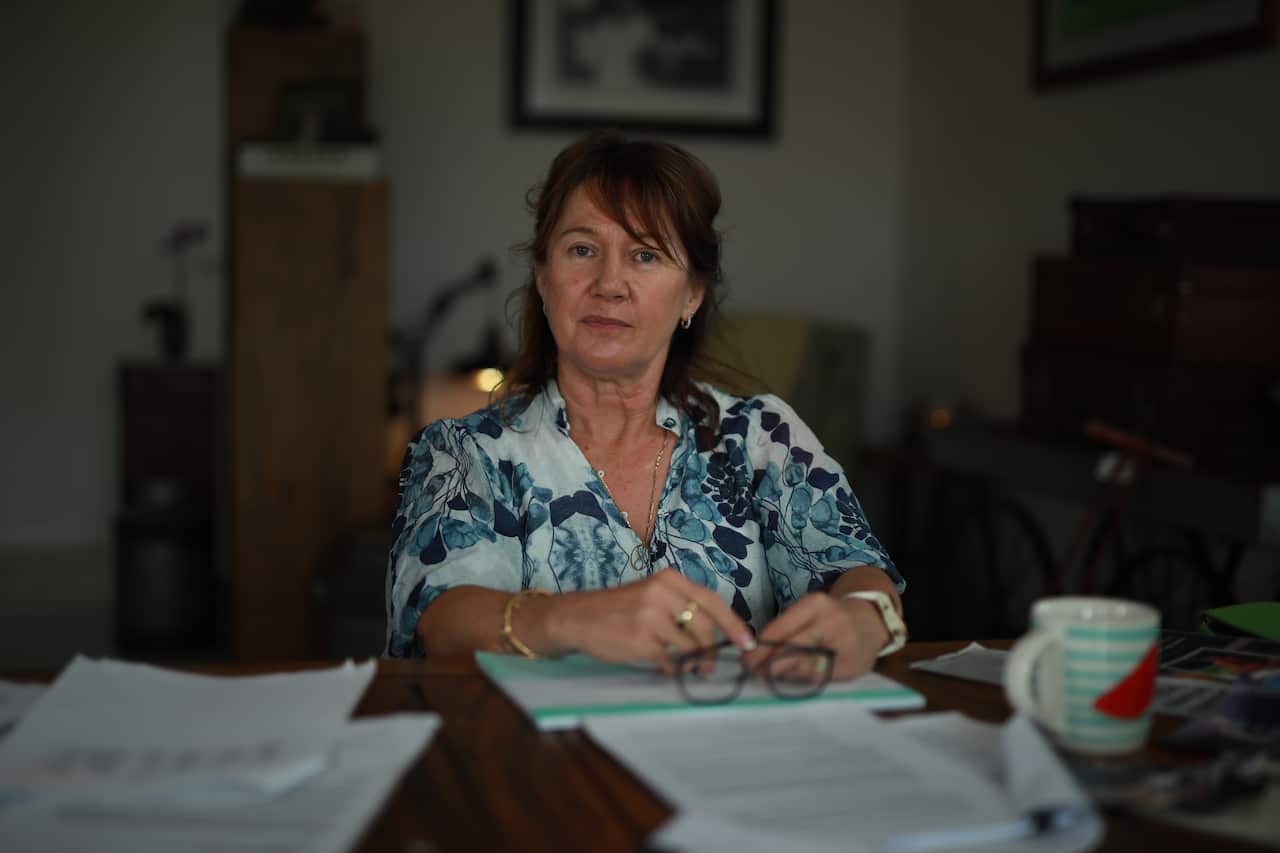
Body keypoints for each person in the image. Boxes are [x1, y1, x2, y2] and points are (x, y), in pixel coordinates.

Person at [386, 129, 905, 682]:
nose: (610, 283)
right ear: (543, 278)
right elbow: (441, 621)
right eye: (582, 249)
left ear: (692, 294)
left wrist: (864, 620)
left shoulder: (761, 436)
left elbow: (859, 573)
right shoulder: (463, 452)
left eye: (645, 255)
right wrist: (575, 620)